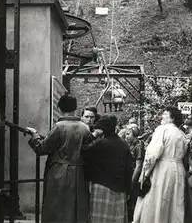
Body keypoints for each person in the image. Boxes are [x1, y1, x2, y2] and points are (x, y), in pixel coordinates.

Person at [25, 93, 91, 223]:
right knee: (76, 208)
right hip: (79, 172)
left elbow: (42, 148)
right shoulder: (85, 128)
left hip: (59, 172)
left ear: (59, 108)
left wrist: (34, 135)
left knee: (56, 207)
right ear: (75, 108)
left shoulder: (59, 127)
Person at [133, 106, 187, 223]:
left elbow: (152, 154)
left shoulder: (162, 130)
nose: (162, 116)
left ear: (172, 118)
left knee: (157, 200)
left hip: (162, 169)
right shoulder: (181, 134)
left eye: (165, 114)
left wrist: (145, 174)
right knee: (174, 203)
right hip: (178, 170)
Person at [83, 115, 133, 223]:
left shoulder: (100, 144)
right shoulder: (124, 145)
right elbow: (129, 169)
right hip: (120, 188)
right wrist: (128, 189)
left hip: (101, 186)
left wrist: (93, 135)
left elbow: (84, 152)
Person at [124, 125, 145, 222]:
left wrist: (132, 182)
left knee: (133, 201)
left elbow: (138, 166)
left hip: (134, 176)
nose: (126, 136)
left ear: (135, 134)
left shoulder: (138, 146)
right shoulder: (130, 144)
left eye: (128, 134)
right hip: (128, 174)